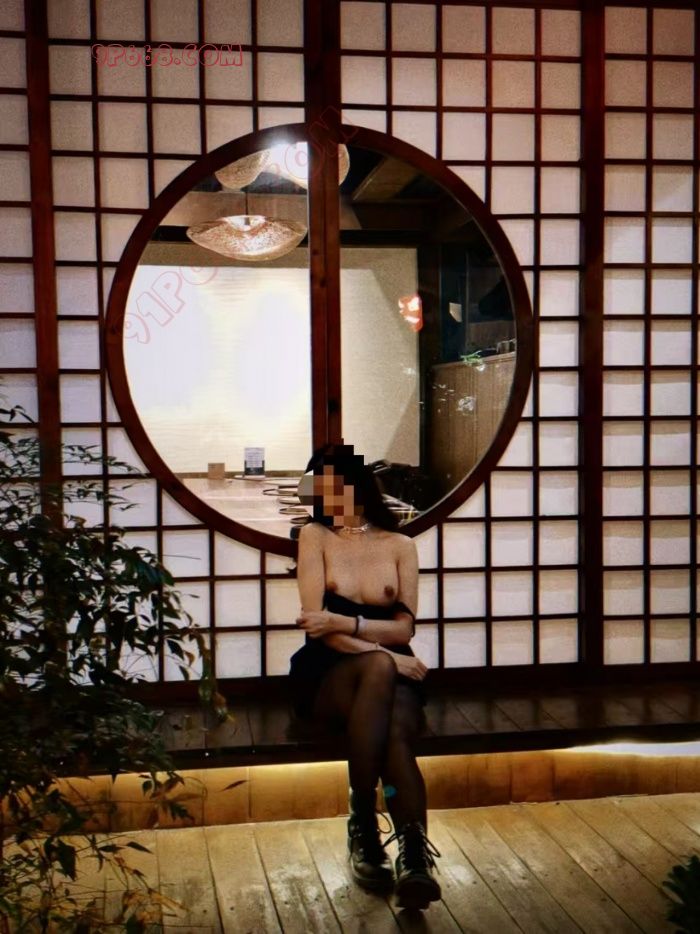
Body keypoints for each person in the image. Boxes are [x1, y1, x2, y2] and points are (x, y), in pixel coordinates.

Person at [289, 443, 441, 910]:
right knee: (378, 667)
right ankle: (366, 822)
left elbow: (404, 629)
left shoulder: (400, 545)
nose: (323, 497)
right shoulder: (314, 536)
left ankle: (410, 853)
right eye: (317, 489)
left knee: (394, 733)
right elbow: (318, 629)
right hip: (329, 670)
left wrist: (344, 622)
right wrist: (385, 654)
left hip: (393, 669)